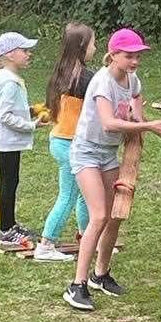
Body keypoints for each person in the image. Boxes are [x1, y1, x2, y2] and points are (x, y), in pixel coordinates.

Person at [63, 28, 161, 312]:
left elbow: (136, 96)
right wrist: (147, 126)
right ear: (113, 55)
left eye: (138, 56)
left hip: (108, 154)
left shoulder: (131, 78)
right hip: (86, 152)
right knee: (99, 215)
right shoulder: (102, 82)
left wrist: (137, 114)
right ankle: (77, 285)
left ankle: (100, 275)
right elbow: (109, 123)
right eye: (129, 56)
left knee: (114, 216)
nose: (135, 61)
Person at [34, 22, 96, 262]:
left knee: (83, 195)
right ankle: (46, 245)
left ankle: (87, 238)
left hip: (61, 140)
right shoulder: (85, 78)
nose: (95, 48)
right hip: (71, 144)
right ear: (82, 47)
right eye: (93, 44)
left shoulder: (61, 73)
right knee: (68, 196)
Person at [0, 31, 43, 250]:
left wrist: (30, 111)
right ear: (10, 55)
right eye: (25, 51)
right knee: (8, 184)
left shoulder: (9, 78)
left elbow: (12, 109)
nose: (29, 54)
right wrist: (32, 125)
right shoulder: (9, 82)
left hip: (8, 141)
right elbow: (6, 117)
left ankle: (10, 225)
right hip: (6, 141)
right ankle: (5, 232)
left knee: (11, 182)